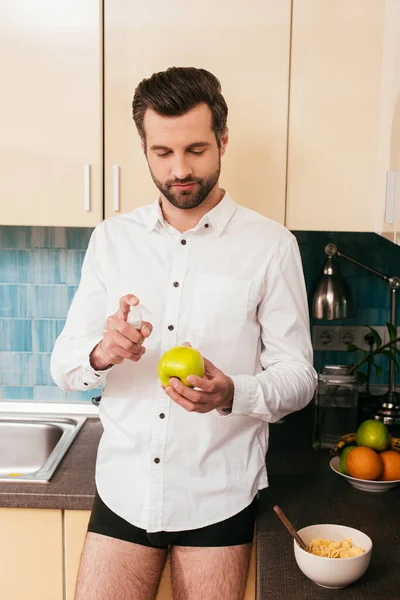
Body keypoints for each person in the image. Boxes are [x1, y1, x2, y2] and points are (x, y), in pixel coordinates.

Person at [51, 66, 317, 600]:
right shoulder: (112, 240)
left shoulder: (271, 245)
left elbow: (299, 377)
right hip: (124, 487)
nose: (180, 170)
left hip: (218, 493)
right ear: (145, 149)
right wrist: (102, 352)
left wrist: (233, 393)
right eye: (162, 153)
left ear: (222, 140)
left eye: (196, 150)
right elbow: (64, 366)